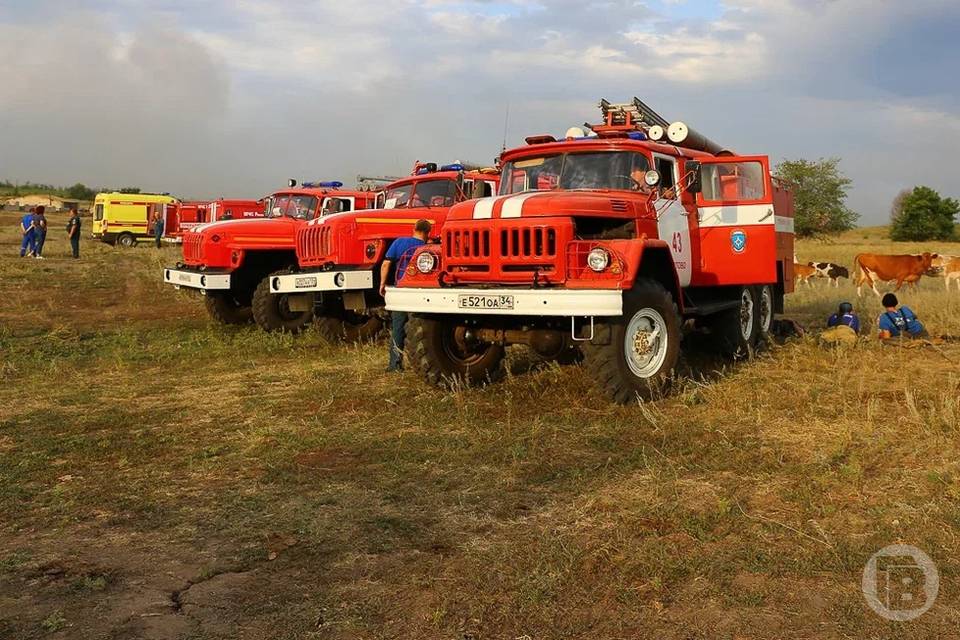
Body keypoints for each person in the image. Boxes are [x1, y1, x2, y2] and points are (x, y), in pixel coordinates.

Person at [379, 219, 432, 372]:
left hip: (402, 290)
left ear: (414, 229)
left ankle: (395, 364)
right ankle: (424, 364)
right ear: (428, 232)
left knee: (398, 328)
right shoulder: (427, 247)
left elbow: (386, 264)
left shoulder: (399, 242)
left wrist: (382, 283)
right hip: (422, 292)